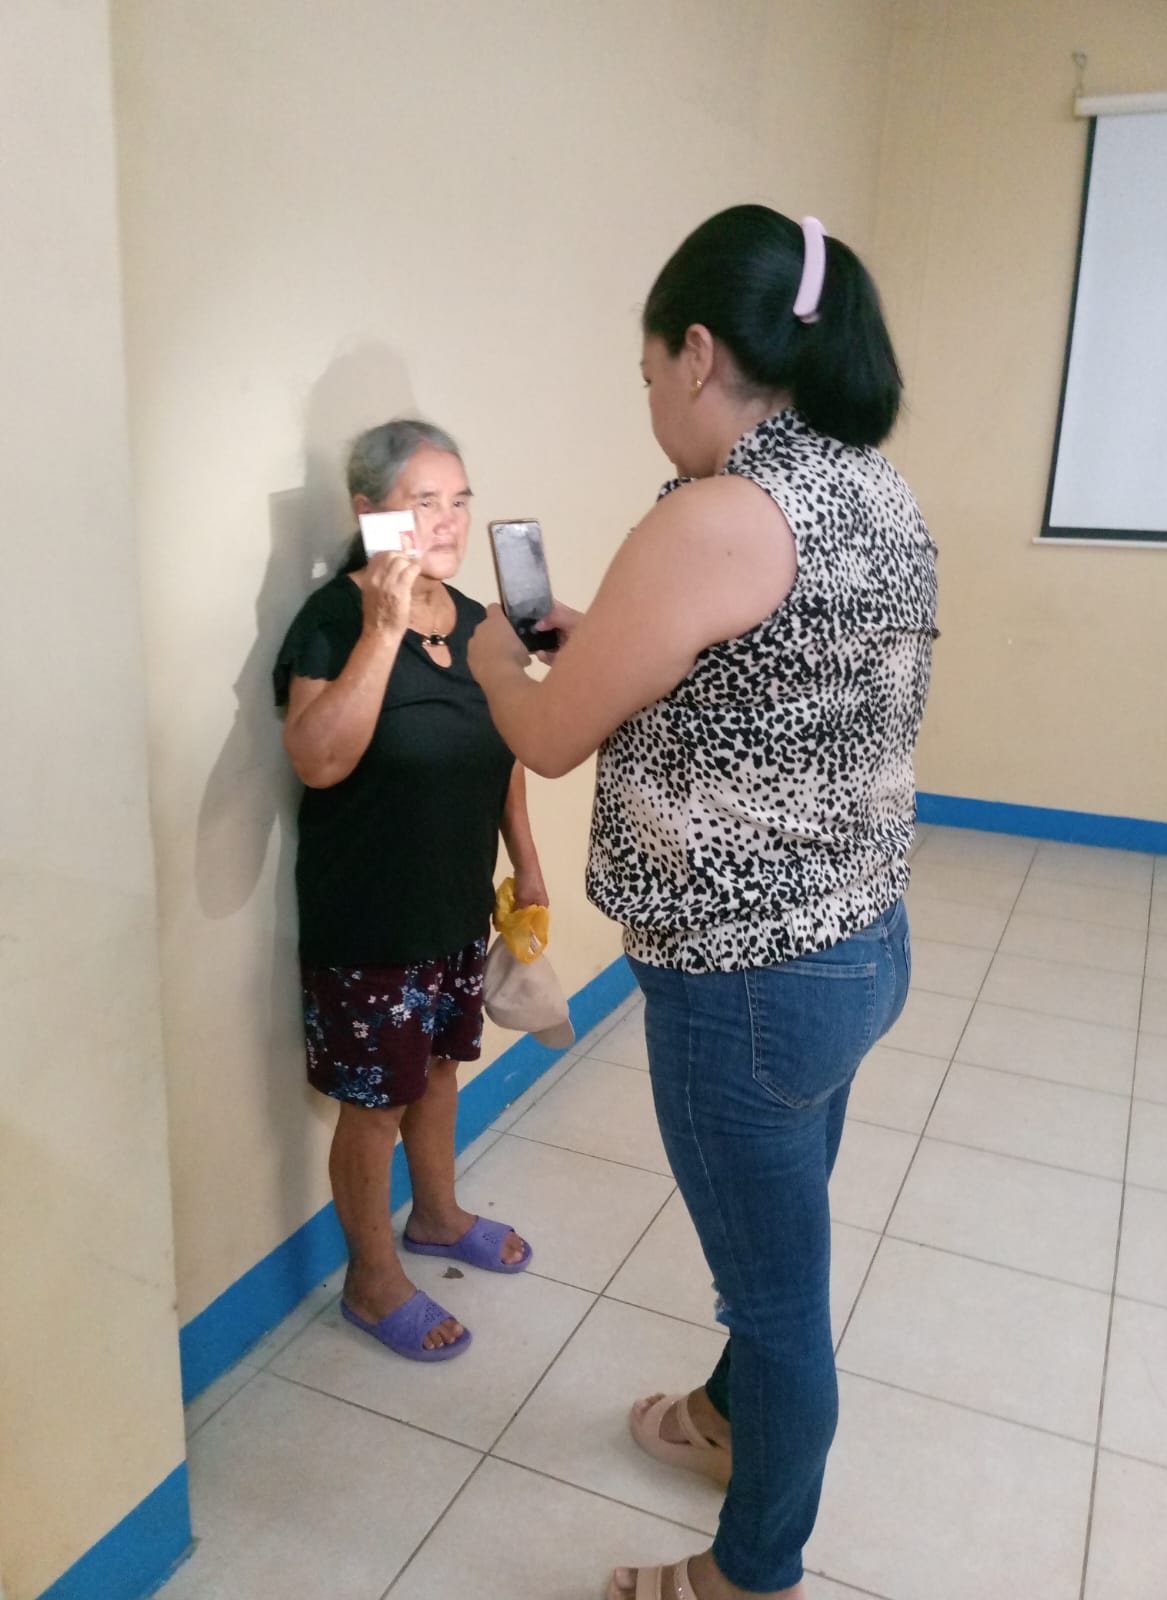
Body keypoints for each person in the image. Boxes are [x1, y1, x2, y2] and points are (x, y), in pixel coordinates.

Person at [468, 206, 937, 1598]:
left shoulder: (719, 514)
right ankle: (728, 1422)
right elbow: (767, 670)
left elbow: (549, 735)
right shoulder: (872, 489)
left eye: (646, 375)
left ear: (695, 351)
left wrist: (496, 660)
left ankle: (752, 1570)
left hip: (747, 987)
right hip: (858, 944)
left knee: (777, 1300)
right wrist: (602, 639)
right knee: (779, 1236)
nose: (651, 404)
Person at [274, 418, 547, 1362]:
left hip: (455, 906)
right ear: (370, 513)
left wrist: (526, 860)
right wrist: (384, 630)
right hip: (370, 920)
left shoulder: (475, 623)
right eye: (423, 502)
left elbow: (503, 752)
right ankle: (371, 1277)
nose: (448, 521)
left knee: (437, 1072)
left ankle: (437, 1215)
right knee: (375, 1105)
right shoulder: (332, 620)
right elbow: (317, 760)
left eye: (459, 501)